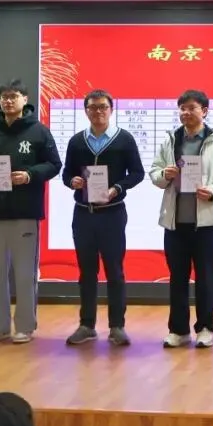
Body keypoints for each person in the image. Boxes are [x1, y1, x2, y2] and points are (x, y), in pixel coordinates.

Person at [0, 79, 61, 344]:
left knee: (25, 273)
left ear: (25, 100)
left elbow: (54, 164)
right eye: (4, 97)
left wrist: (29, 175)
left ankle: (25, 326)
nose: (8, 101)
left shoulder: (39, 131)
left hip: (24, 211)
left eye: (14, 96)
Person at [150, 89, 213, 349]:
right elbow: (154, 173)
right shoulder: (170, 140)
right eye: (182, 108)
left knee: (207, 278)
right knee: (177, 278)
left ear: (205, 111)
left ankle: (205, 328)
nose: (186, 113)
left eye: (191, 108)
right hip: (175, 222)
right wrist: (164, 175)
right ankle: (178, 330)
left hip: (206, 223)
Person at [60, 89, 145, 347]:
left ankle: (117, 326)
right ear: (86, 110)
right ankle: (86, 325)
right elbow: (66, 174)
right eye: (93, 107)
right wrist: (72, 181)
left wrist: (117, 188)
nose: (98, 112)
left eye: (103, 107)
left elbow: (137, 173)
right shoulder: (77, 141)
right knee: (86, 272)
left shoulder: (124, 139)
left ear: (111, 110)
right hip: (83, 215)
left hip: (112, 214)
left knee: (114, 271)